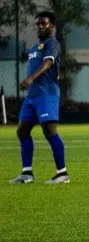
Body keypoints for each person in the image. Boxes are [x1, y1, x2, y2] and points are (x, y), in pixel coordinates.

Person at [9, 12, 70, 184]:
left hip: (46, 93)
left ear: (52, 26)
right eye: (38, 24)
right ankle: (27, 173)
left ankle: (62, 173)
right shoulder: (36, 46)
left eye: (44, 24)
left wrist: (31, 78)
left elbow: (48, 63)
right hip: (32, 96)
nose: (40, 27)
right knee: (22, 131)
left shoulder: (53, 44)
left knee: (49, 130)